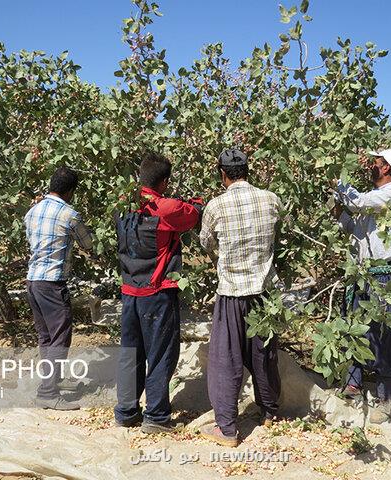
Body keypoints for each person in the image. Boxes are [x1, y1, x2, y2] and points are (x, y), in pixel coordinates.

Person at [198, 148, 284, 447]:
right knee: (264, 354)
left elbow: (206, 242)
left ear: (222, 173)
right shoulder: (271, 199)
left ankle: (227, 429)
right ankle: (270, 412)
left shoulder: (215, 206)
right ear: (249, 170)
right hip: (263, 292)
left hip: (232, 291)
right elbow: (277, 235)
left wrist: (223, 256)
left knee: (225, 360)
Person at [114, 152, 203, 433]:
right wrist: (197, 201)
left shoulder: (122, 206)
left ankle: (126, 412)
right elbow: (194, 214)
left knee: (131, 354)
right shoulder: (166, 208)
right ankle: (156, 416)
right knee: (162, 353)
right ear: (164, 181)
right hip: (156, 293)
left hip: (129, 291)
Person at [333, 148, 391, 423]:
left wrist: (338, 182)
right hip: (360, 273)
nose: (371, 165)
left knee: (382, 334)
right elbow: (351, 228)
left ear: (387, 168)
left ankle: (386, 396)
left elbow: (358, 202)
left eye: (376, 162)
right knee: (354, 327)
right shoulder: (374, 200)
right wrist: (338, 210)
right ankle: (353, 384)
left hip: (382, 276)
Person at [24, 166, 94, 410]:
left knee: (46, 337)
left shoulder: (32, 211)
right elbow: (88, 243)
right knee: (60, 337)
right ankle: (48, 393)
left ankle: (49, 383)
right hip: (52, 283)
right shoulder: (69, 214)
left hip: (32, 281)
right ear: (71, 191)